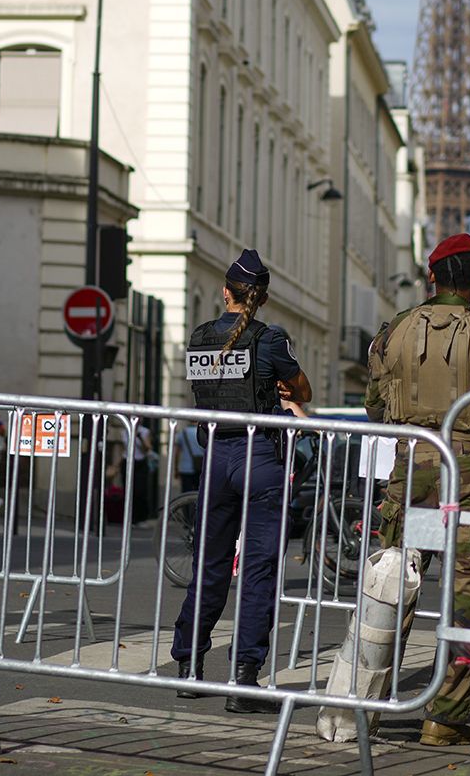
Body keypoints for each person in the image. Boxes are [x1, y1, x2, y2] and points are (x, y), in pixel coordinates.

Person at [365, 233, 470, 746]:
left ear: (431, 277)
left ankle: (367, 701)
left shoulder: (392, 333)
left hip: (411, 474)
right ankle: (445, 715)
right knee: (467, 595)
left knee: (395, 586)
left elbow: (375, 405)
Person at [170, 249, 311, 715]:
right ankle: (245, 677)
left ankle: (189, 667)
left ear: (224, 292)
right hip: (259, 456)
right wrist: (283, 390)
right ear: (263, 298)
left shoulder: (198, 338)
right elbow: (302, 388)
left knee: (209, 564)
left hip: (215, 458)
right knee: (257, 571)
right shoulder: (270, 339)